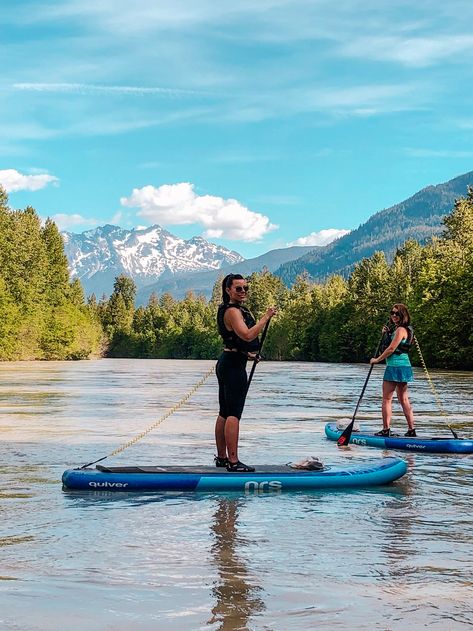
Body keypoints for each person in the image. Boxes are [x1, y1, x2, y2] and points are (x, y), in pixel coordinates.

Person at [214, 274, 277, 472]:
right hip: (232, 367)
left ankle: (223, 458)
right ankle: (233, 462)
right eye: (238, 288)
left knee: (224, 412)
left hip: (230, 361)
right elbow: (247, 334)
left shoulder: (232, 310)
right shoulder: (232, 311)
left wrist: (249, 354)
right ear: (228, 290)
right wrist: (266, 318)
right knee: (233, 413)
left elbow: (238, 341)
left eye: (245, 288)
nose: (243, 292)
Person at [369, 303, 416, 437]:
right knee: (403, 399)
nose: (394, 316)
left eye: (397, 313)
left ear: (403, 315)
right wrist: (387, 333)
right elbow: (394, 343)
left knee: (386, 399)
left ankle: (385, 430)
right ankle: (411, 430)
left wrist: (377, 360)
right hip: (405, 367)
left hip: (395, 367)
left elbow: (391, 349)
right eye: (392, 313)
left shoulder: (401, 330)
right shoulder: (401, 330)